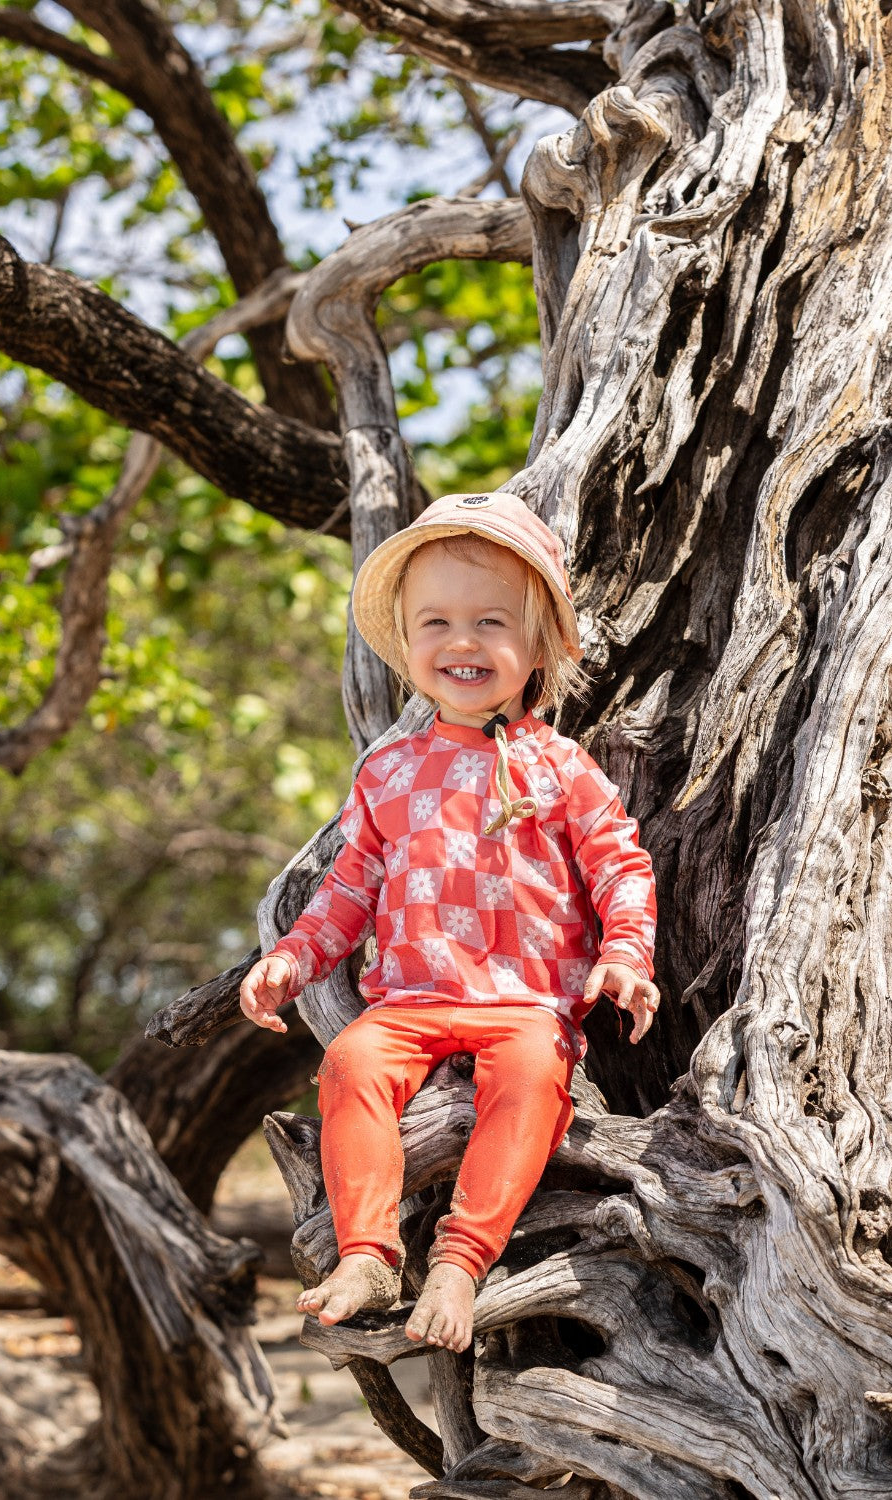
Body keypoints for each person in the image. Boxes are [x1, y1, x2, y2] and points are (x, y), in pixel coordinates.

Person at [239, 490, 659, 1353]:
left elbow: (619, 862)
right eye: (436, 622)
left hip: (525, 1004)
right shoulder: (389, 769)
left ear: (538, 645)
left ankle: (461, 1260)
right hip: (411, 999)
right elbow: (349, 884)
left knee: (534, 1080)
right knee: (351, 1063)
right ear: (406, 642)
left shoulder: (558, 765)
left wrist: (625, 950)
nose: (462, 643)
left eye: (490, 623)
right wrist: (293, 957)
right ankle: (365, 1251)